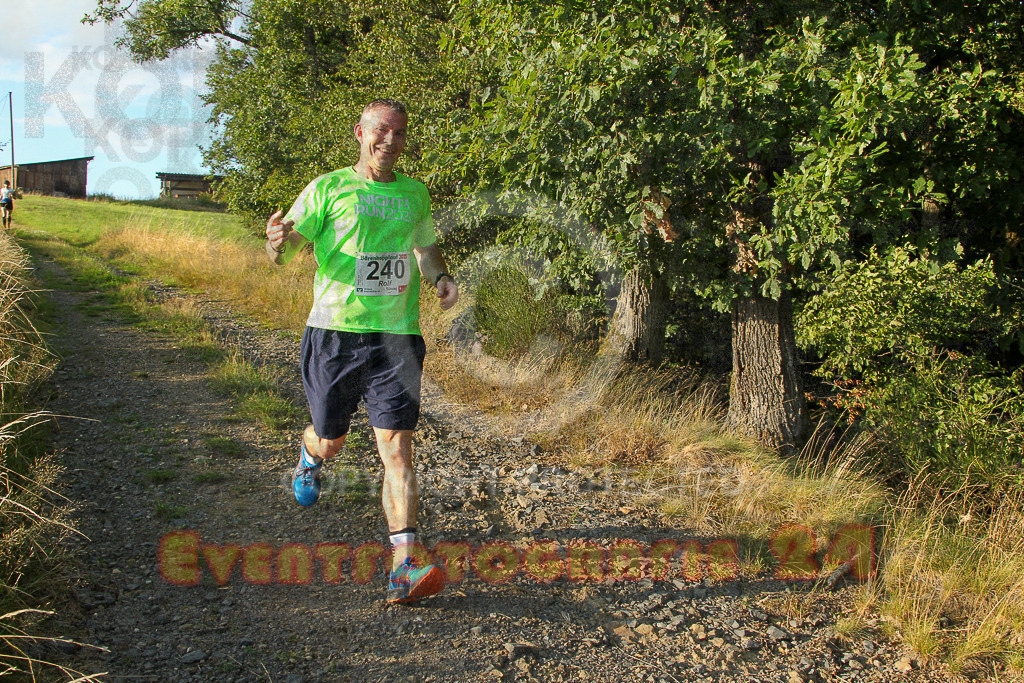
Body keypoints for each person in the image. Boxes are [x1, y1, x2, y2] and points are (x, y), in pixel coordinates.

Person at [265, 99, 458, 604]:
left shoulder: (415, 193)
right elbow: (284, 248)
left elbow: (424, 247)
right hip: (335, 334)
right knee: (333, 440)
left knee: (397, 446)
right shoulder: (328, 187)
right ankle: (310, 455)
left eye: (399, 133)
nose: (389, 141)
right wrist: (275, 240)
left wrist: (438, 276)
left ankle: (404, 565)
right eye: (381, 131)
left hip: (397, 336)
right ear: (360, 132)